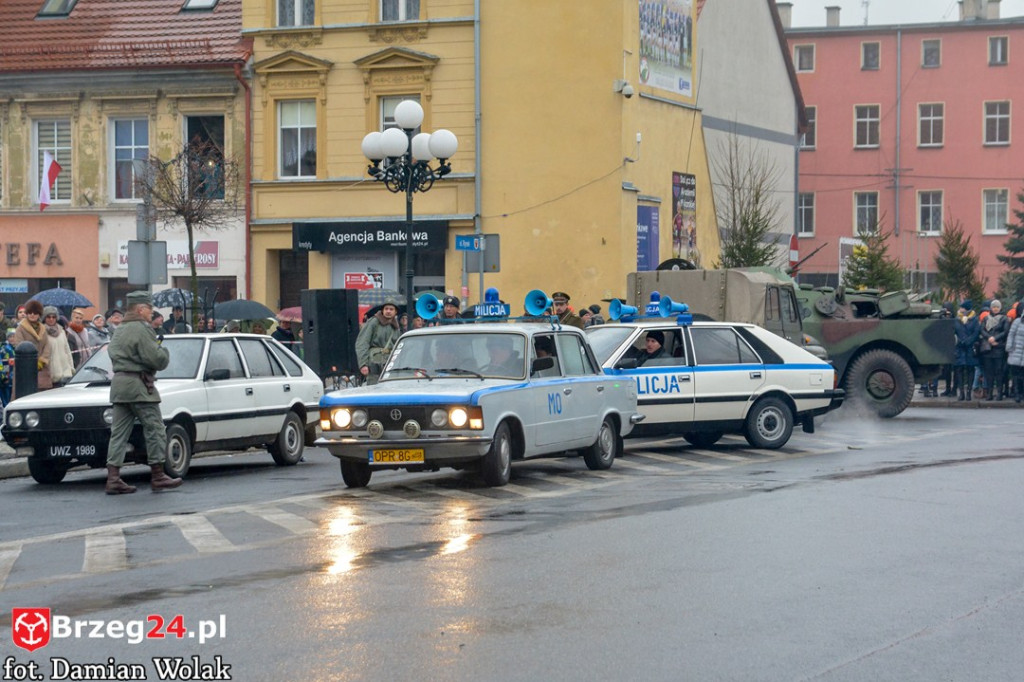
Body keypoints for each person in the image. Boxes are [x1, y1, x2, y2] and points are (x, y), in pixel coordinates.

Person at [104, 290, 182, 495]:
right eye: (149, 309)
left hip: (120, 385)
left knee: (118, 434)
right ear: (140, 309)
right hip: (139, 385)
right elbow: (155, 358)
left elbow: (113, 353)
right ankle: (158, 475)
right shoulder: (142, 329)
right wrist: (164, 352)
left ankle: (113, 478)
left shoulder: (119, 329)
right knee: (155, 427)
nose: (151, 313)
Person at [355, 298, 400, 385]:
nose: (388, 311)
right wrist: (363, 364)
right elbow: (362, 343)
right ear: (382, 310)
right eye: (386, 309)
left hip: (390, 364)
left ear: (395, 312)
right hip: (374, 364)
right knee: (373, 389)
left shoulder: (396, 327)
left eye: (391, 309)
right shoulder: (374, 322)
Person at [11, 299, 52, 393]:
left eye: (35, 313)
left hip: (42, 368)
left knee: (42, 396)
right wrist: (31, 362)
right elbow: (19, 346)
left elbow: (47, 346)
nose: (32, 315)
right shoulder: (20, 328)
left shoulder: (43, 328)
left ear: (39, 314)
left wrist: (42, 361)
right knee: (24, 394)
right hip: (24, 367)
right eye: (30, 312)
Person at [979, 298, 1010, 400]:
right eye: (993, 307)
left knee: (999, 372)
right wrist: (989, 338)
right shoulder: (986, 318)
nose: (995, 309)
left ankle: (1000, 393)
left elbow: (1005, 332)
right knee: (989, 373)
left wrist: (995, 338)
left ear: (1000, 308)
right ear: (991, 308)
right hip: (988, 349)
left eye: (997, 307)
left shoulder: (1004, 319)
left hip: (999, 348)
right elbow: (982, 330)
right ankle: (989, 393)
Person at [953, 300, 980, 401]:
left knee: (970, 370)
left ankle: (968, 392)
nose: (960, 309)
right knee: (959, 370)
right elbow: (953, 332)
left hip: (970, 348)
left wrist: (968, 341)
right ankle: (961, 393)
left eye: (962, 307)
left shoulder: (974, 320)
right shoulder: (956, 319)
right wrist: (959, 341)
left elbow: (976, 332)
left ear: (967, 309)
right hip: (959, 348)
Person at [43, 306, 75, 387]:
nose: (51, 319)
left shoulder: (62, 332)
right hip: (52, 374)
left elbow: (67, 351)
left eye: (53, 317)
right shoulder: (42, 332)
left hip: (66, 372)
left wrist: (71, 367)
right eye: (48, 317)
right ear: (44, 318)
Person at [1005, 300, 1024, 403]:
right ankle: (1017, 393)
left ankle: (1021, 393)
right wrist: (1009, 347)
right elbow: (1011, 335)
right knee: (1016, 375)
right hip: (1016, 351)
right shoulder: (1017, 322)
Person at [0, 328, 14, 407]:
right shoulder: (4, 350)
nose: (12, 339)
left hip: (14, 379)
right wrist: (5, 377)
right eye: (10, 337)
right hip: (6, 380)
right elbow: (3, 364)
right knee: (6, 401)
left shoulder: (16, 348)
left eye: (14, 336)